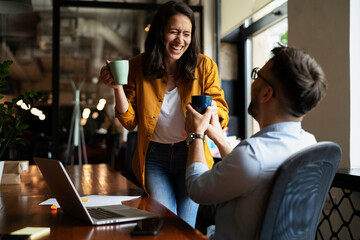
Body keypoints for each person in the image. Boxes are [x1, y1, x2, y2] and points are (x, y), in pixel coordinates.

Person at [99, 1, 229, 227]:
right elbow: (129, 122)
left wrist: (210, 116)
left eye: (186, 34)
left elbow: (222, 112)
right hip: (154, 158)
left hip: (191, 154)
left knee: (185, 224)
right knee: (165, 222)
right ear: (160, 32)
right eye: (174, 32)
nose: (181, 40)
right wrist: (117, 87)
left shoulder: (204, 66)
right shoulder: (138, 66)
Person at [185, 46, 327, 239]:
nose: (253, 81)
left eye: (257, 75)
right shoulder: (311, 144)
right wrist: (218, 137)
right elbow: (250, 169)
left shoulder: (252, 154)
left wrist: (196, 134)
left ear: (266, 93)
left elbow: (196, 188)